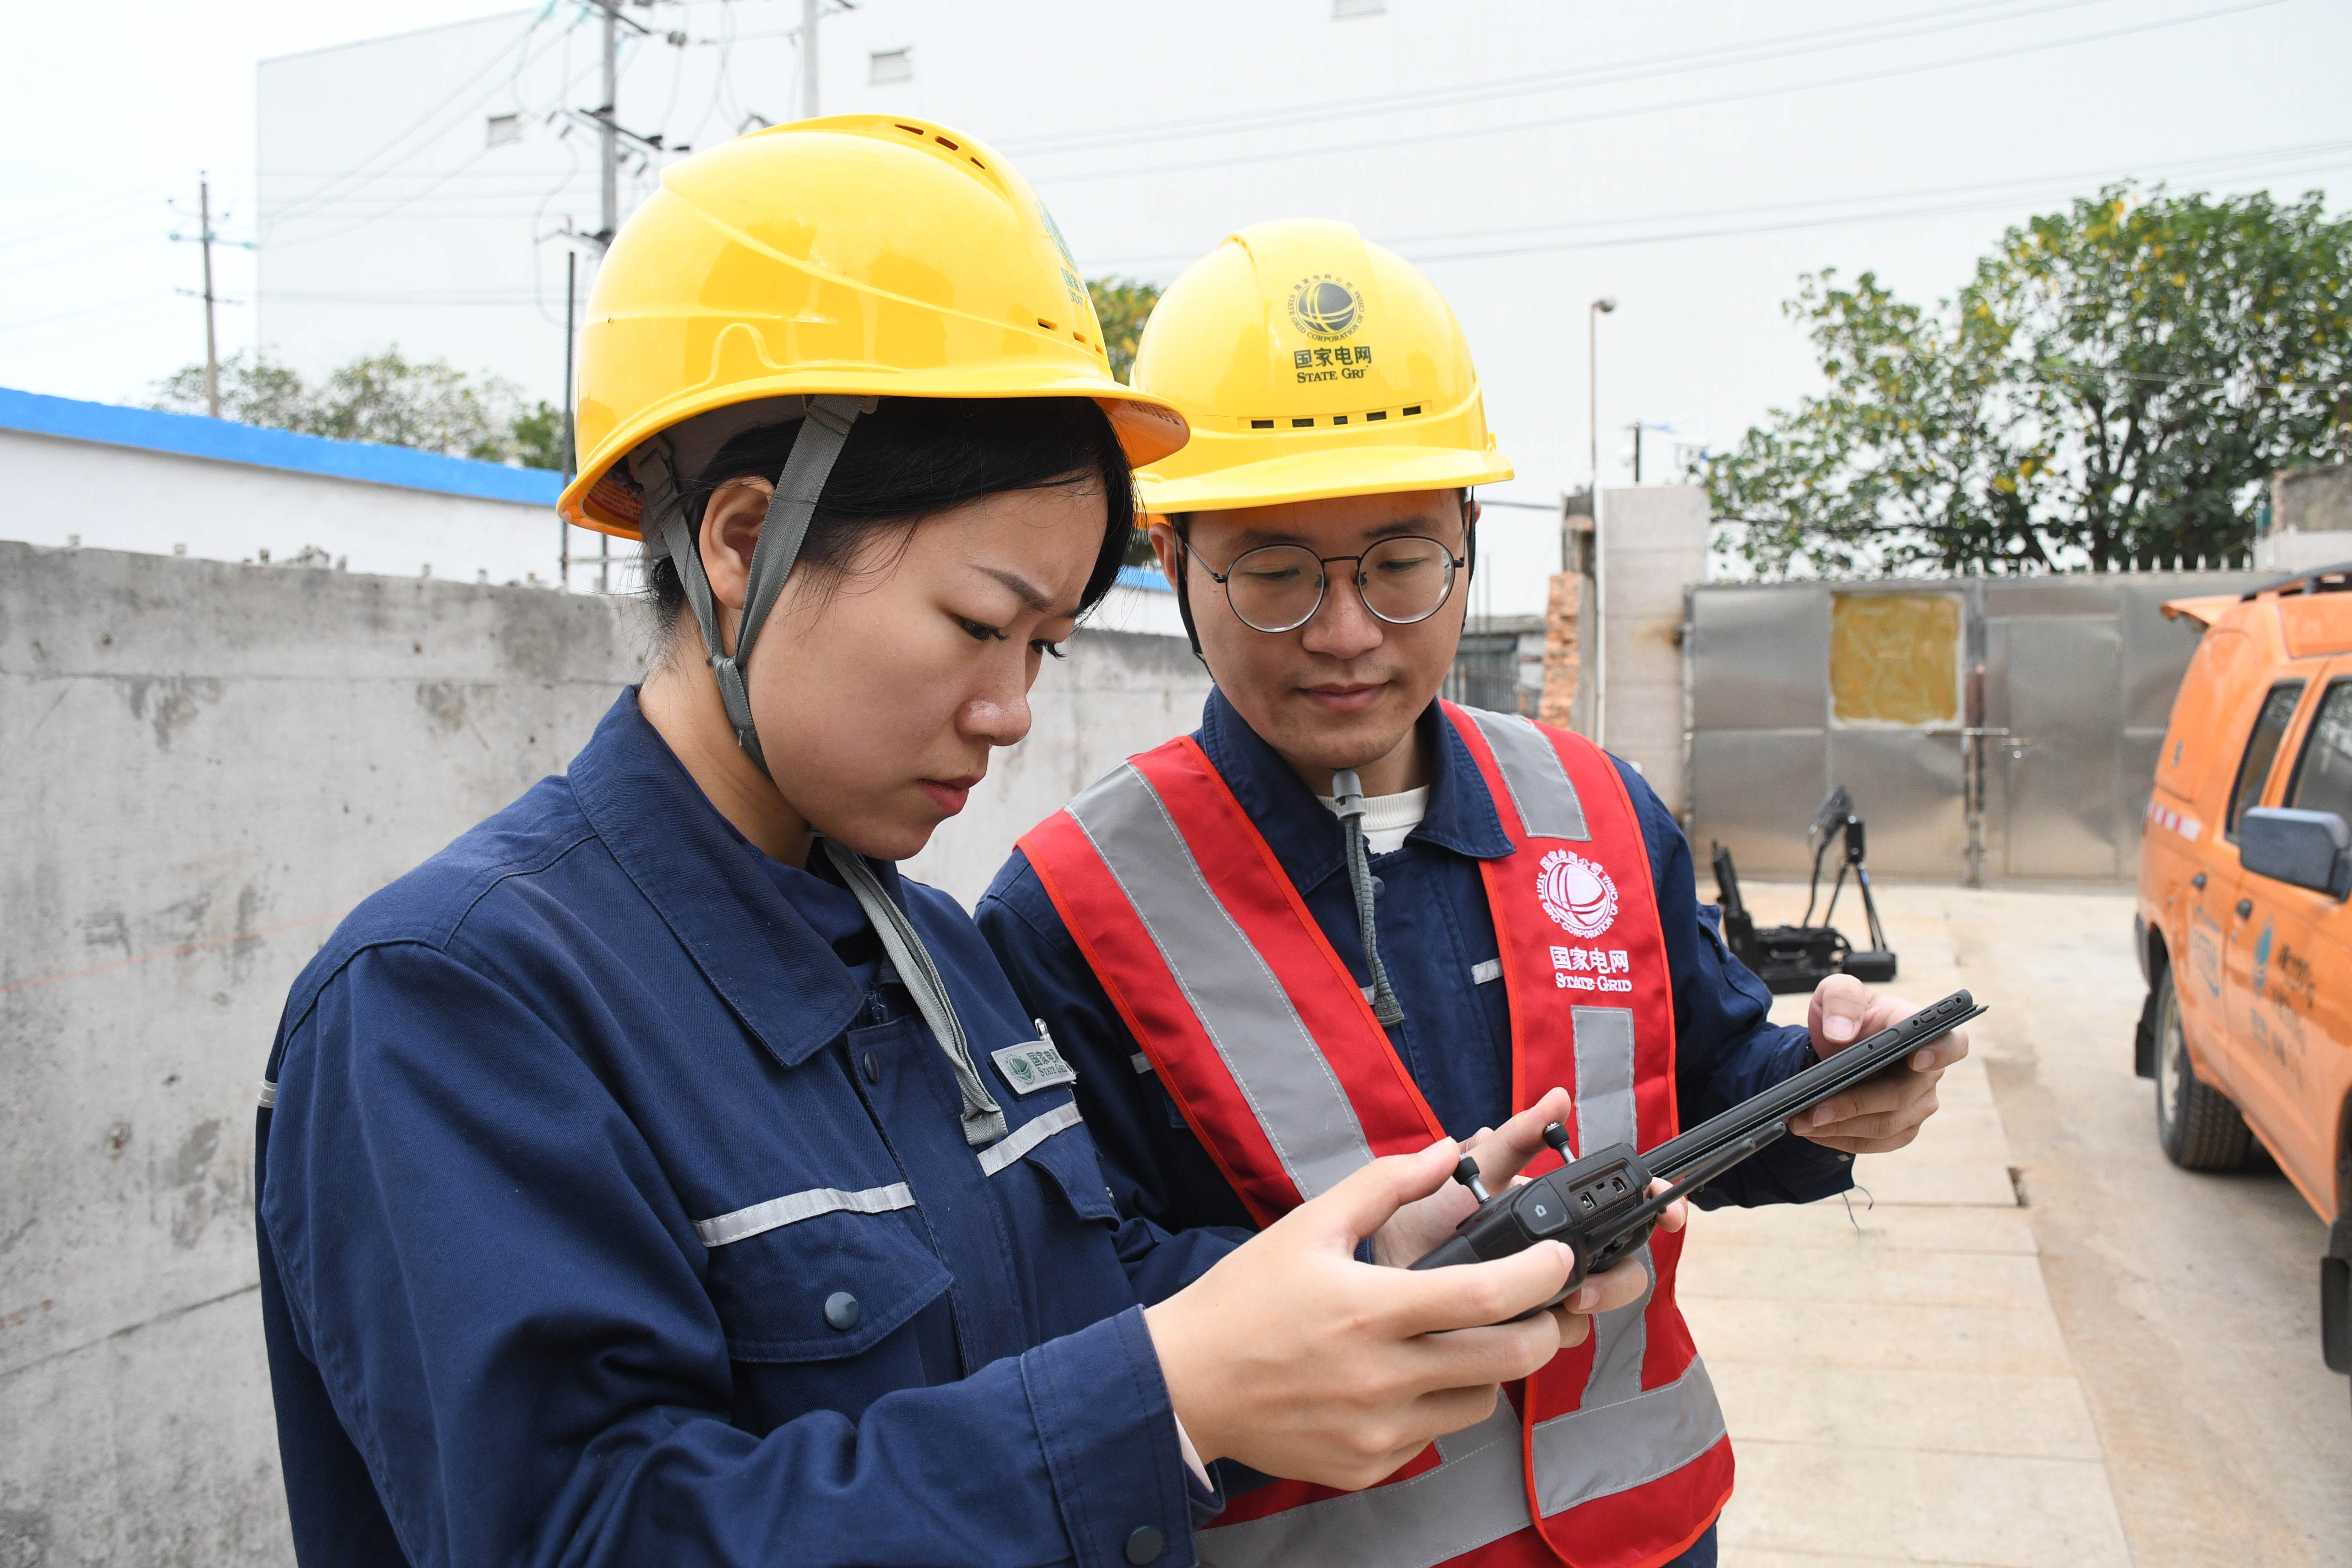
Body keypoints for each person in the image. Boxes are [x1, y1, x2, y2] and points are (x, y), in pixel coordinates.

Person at [251, 125, 1663, 1568]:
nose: (1010, 711)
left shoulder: (934, 955)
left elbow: (1069, 1292)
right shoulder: (454, 1005)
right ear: (742, 541)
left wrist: (1368, 1275)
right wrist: (1166, 1403)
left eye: (1045, 643)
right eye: (980, 627)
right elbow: (590, 1536)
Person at [977, 220, 1973, 1568]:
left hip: (1651, 1533)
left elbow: (1713, 1078)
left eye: (1398, 562)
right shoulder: (1070, 906)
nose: (1343, 631)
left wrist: (1828, 1083)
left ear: (1468, 539)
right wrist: (1377, 1282)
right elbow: (1065, 1302)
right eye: (1274, 570)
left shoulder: (1600, 810)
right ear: (1174, 562)